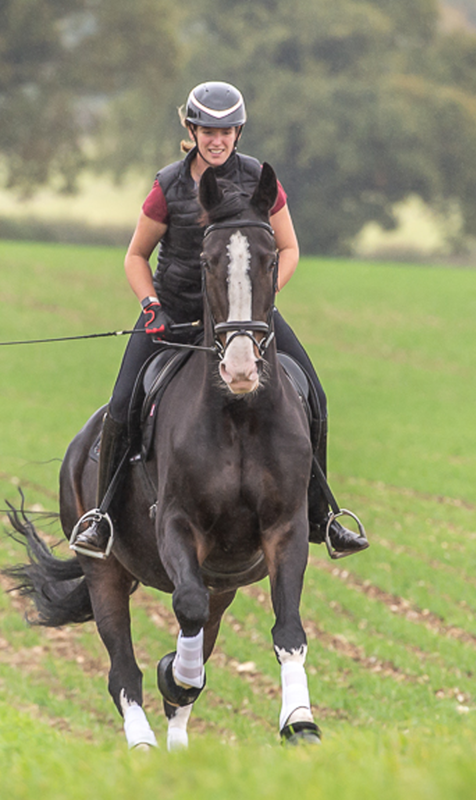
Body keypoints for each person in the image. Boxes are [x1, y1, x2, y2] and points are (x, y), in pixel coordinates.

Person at [74, 81, 368, 558]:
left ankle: (323, 514)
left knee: (314, 393)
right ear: (192, 130)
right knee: (123, 400)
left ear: (238, 133)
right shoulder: (168, 186)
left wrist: (260, 302)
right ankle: (103, 517)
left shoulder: (259, 181)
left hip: (247, 318)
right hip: (175, 315)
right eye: (208, 131)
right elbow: (135, 256)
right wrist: (152, 306)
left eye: (227, 131)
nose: (218, 140)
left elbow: (289, 248)